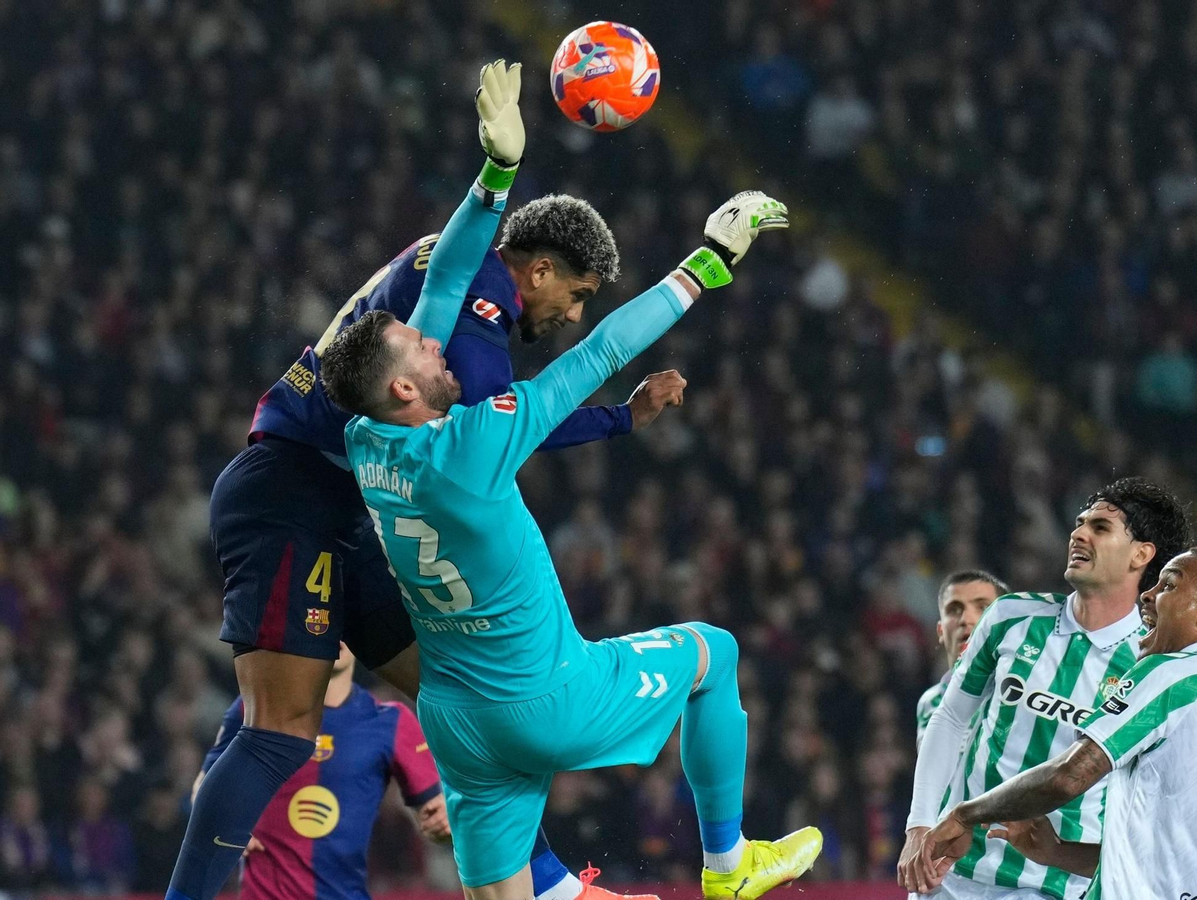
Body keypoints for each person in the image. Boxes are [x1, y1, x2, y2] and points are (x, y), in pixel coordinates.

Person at [168, 61, 670, 900]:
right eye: (577, 295)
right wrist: (616, 418)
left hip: (341, 505)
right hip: (290, 490)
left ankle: (545, 884)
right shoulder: (472, 319)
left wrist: (496, 176)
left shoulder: (460, 273)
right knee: (281, 731)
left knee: (457, 696)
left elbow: (488, 411)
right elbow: (505, 425)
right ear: (538, 269)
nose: (572, 315)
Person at [319, 69, 813, 900]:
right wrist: (712, 258)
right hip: (547, 698)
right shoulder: (476, 441)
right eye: (421, 354)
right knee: (712, 653)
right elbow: (599, 354)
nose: (438, 348)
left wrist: (496, 175)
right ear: (406, 388)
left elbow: (441, 287)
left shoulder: (366, 440)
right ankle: (729, 868)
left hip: (458, 722)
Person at [899, 477, 1193, 899]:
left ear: (1141, 555)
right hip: (951, 872)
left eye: (1101, 528)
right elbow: (949, 719)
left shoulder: (1152, 665)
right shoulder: (1010, 616)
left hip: (1054, 886)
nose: (1079, 533)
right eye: (1080, 523)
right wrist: (920, 825)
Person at [921, 547, 1197, 900]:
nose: (1148, 595)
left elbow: (1071, 774)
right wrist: (1057, 852)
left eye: (1169, 586)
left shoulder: (1175, 673)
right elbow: (1163, 854)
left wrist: (965, 815)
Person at [194, 643, 451, 900]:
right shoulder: (256, 708)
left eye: (346, 624)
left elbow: (439, 817)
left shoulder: (391, 721)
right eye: (327, 621)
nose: (337, 633)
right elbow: (203, 789)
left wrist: (441, 826)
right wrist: (223, 826)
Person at [916, 571, 1009, 747]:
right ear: (940, 631)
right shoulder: (931, 702)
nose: (966, 619)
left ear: (1006, 624)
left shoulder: (1025, 694)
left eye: (982, 607)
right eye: (954, 610)